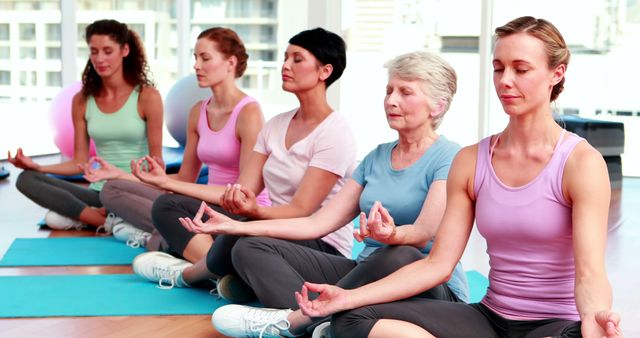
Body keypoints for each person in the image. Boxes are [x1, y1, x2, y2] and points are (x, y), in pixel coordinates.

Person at [292, 16, 623, 338]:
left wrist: (594, 322)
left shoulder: (580, 163)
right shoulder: (471, 160)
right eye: (498, 68)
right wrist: (347, 297)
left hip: (554, 325)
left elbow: (590, 273)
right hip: (489, 318)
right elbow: (438, 264)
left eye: (520, 69)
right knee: (350, 319)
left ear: (556, 74)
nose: (505, 80)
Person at [182, 51, 470, 338]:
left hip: (426, 287)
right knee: (250, 246)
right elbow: (317, 223)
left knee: (399, 254)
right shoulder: (376, 157)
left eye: (406, 92)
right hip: (362, 273)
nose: (391, 100)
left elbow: (423, 233)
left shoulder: (449, 156)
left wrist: (392, 235)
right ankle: (318, 322)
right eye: (389, 90)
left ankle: (294, 321)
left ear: (437, 106)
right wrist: (235, 226)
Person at [131, 27, 357, 292]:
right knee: (168, 205)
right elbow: (244, 191)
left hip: (321, 244)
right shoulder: (275, 125)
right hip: (275, 227)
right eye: (285, 57)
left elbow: (301, 210)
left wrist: (253, 214)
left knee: (245, 234)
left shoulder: (335, 132)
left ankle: (189, 275)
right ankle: (232, 277)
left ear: (324, 71)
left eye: (297, 59)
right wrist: (165, 183)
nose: (285, 65)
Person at [80, 27, 268, 249]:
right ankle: (173, 237)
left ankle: (164, 238)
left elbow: (243, 196)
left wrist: (167, 184)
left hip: (239, 214)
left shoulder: (249, 113)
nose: (196, 65)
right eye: (195, 58)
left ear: (230, 63)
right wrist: (120, 174)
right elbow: (186, 178)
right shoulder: (198, 111)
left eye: (205, 58)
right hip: (207, 206)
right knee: (112, 188)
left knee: (166, 204)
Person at [8, 19, 163, 230]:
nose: (100, 59)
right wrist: (39, 167)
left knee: (56, 218)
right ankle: (104, 221)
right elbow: (79, 162)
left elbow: (157, 164)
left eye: (108, 51)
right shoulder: (82, 100)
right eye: (94, 51)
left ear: (124, 50)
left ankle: (91, 218)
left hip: (135, 191)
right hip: (100, 192)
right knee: (26, 179)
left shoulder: (147, 96)